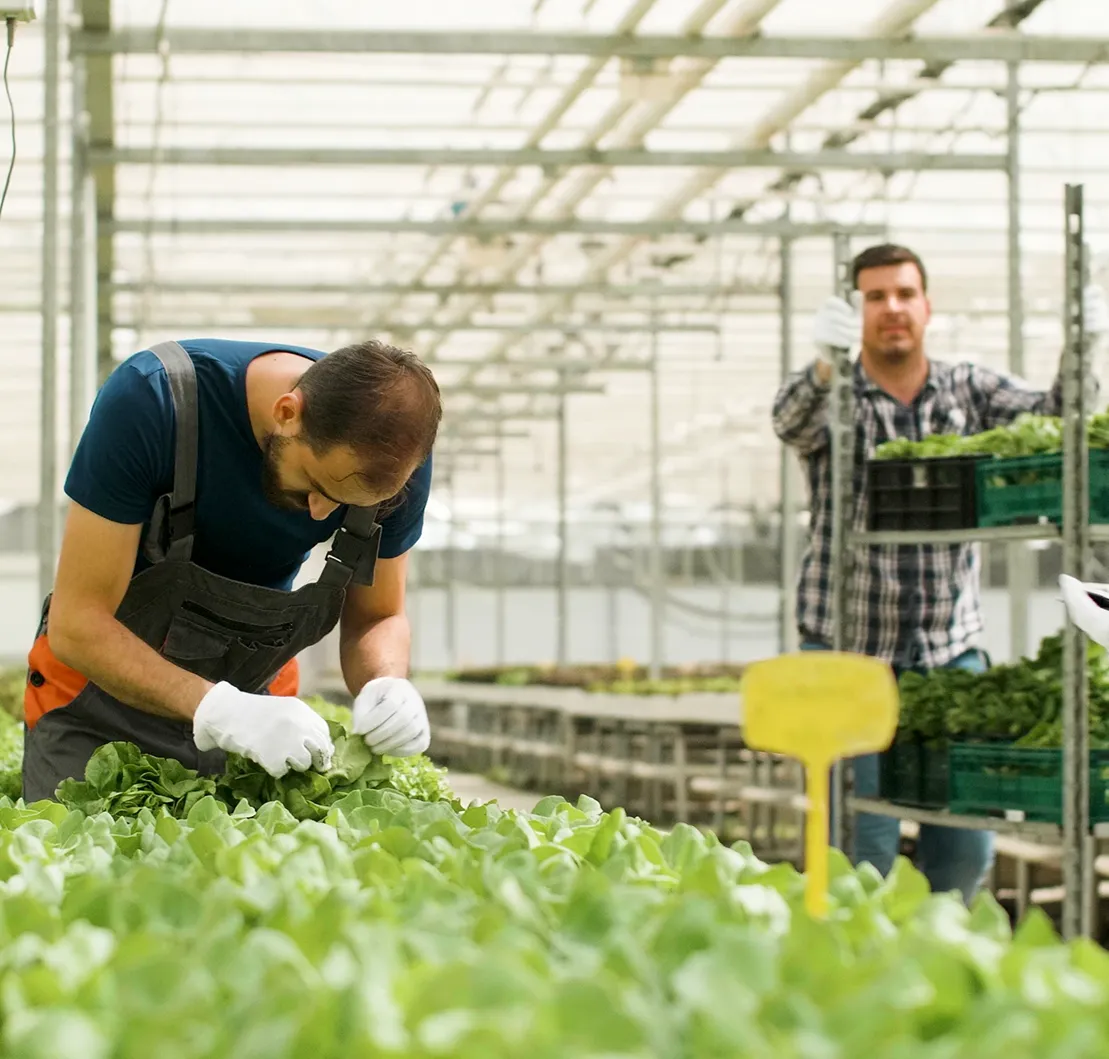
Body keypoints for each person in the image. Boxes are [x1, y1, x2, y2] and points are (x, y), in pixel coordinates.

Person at [771, 242, 1109, 903]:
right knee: (859, 843)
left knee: (964, 846)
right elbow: (788, 421)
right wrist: (821, 363)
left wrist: (1083, 347)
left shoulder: (966, 388)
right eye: (873, 297)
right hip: (846, 654)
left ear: (926, 305)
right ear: (855, 311)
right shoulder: (836, 396)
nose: (890, 309)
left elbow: (1058, 418)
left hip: (947, 650)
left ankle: (935, 964)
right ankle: (853, 972)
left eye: (903, 294)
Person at [21, 337, 440, 801]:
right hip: (96, 699)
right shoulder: (153, 401)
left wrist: (386, 684)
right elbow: (78, 625)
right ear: (287, 413)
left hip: (255, 705)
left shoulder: (391, 466)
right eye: (316, 485)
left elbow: (378, 616)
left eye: (346, 505)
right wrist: (219, 710)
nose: (321, 514)